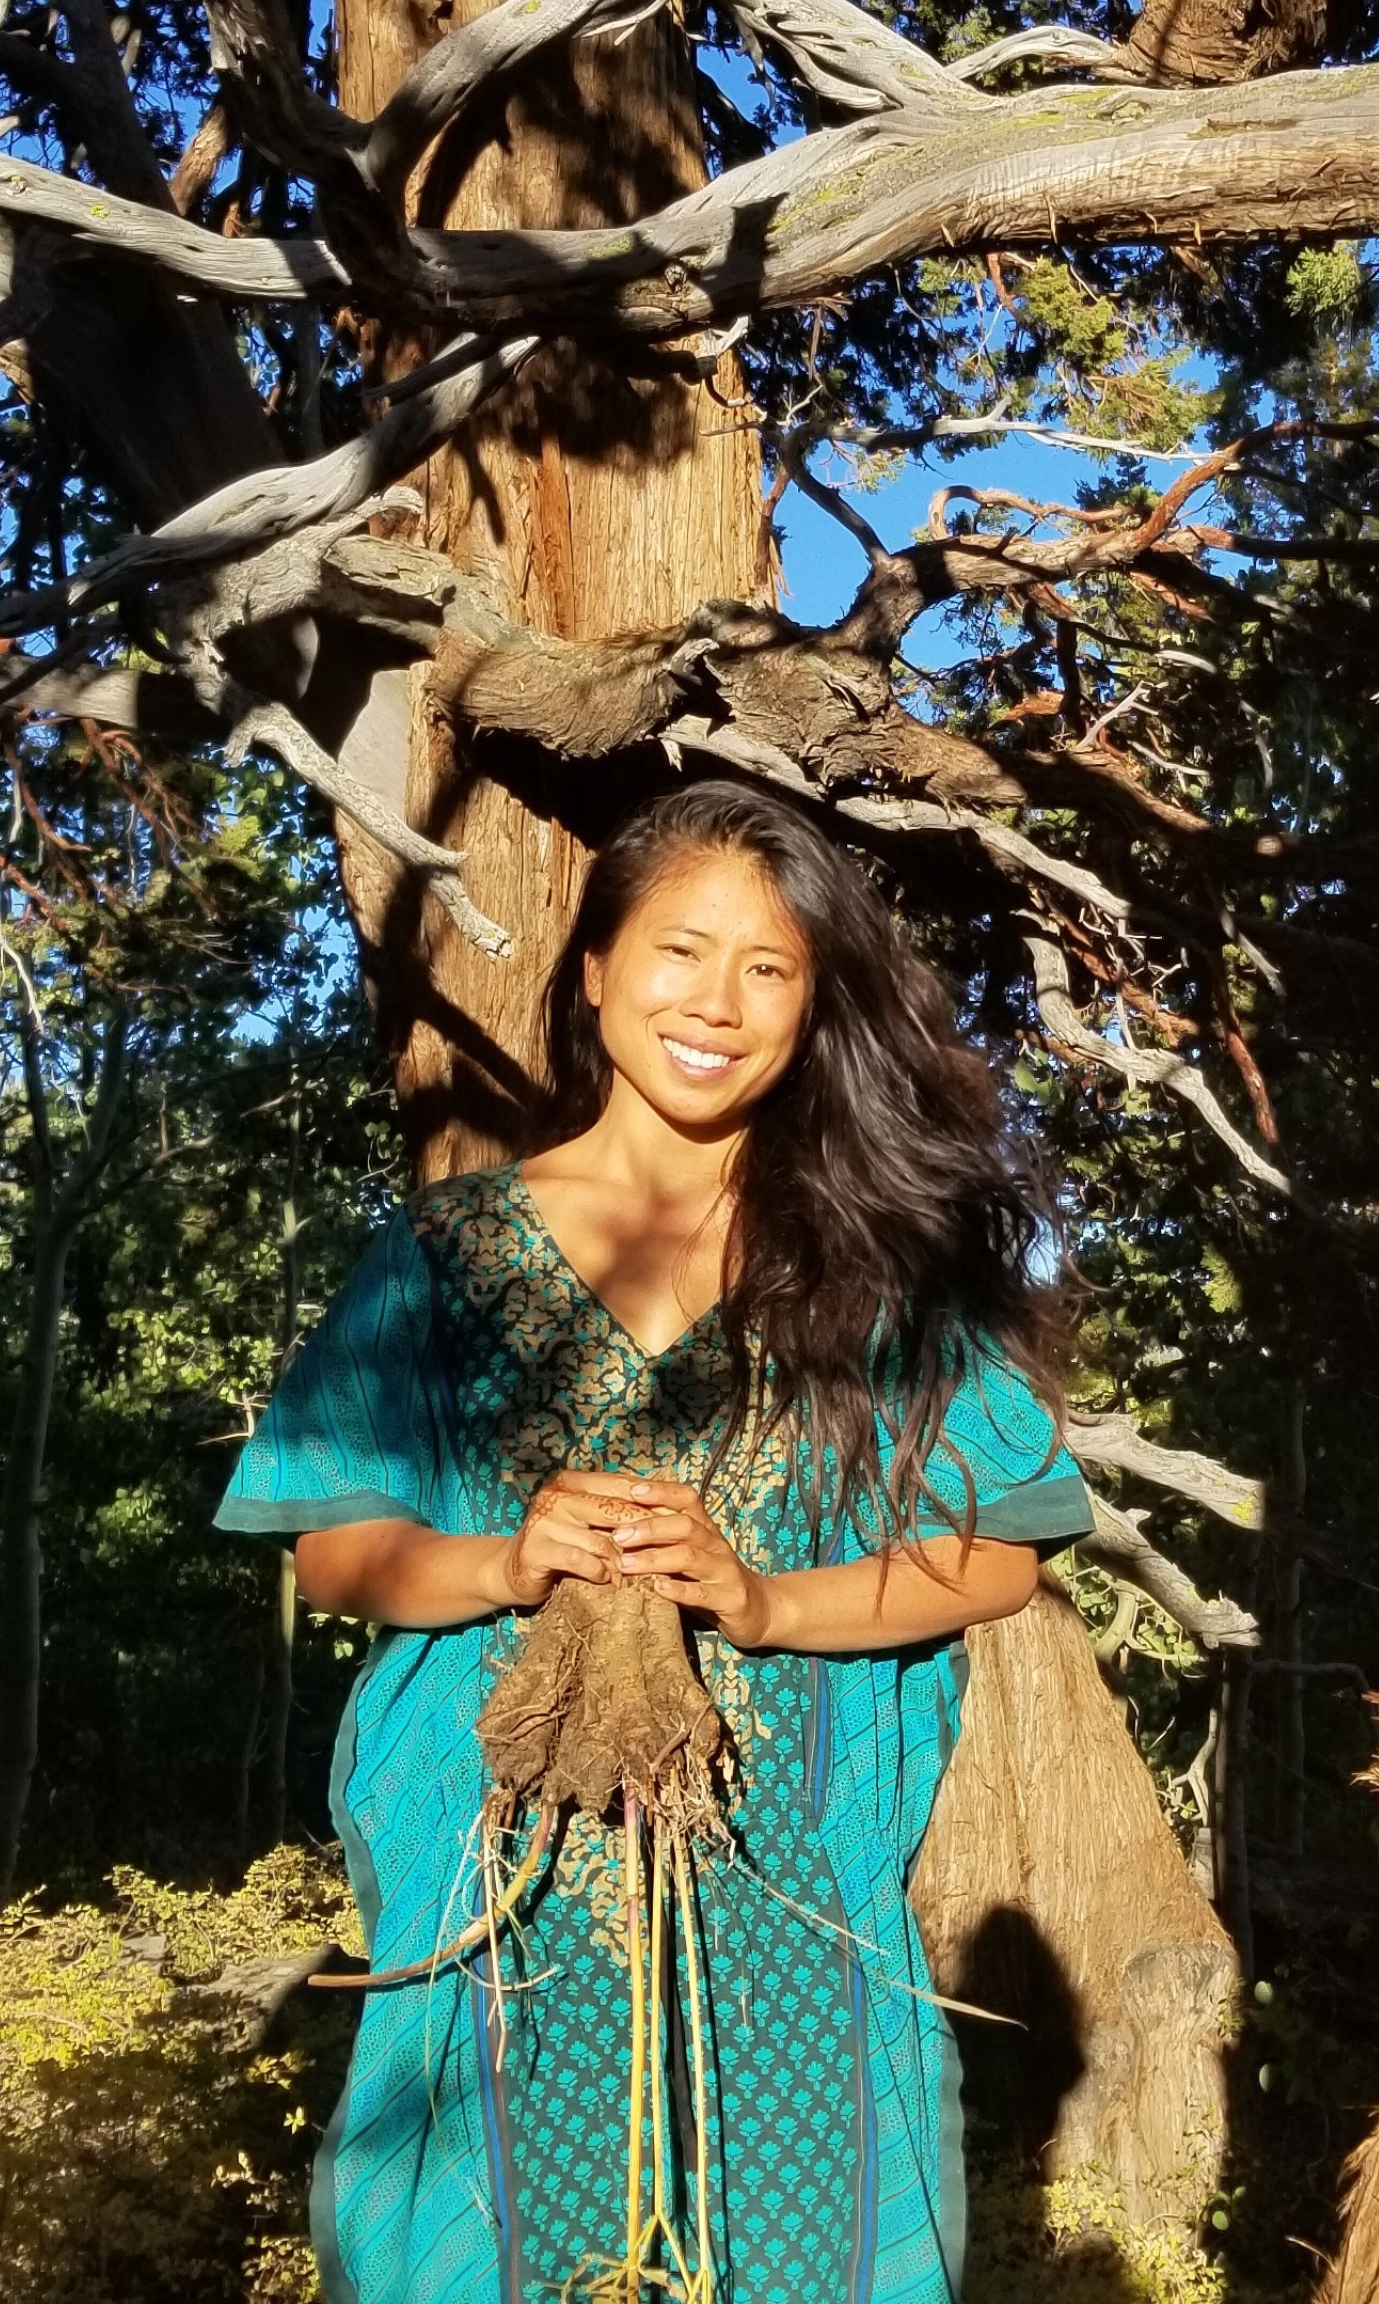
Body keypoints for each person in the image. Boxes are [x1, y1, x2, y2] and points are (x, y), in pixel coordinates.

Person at [216, 782, 1093, 2304]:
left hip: (792, 1890)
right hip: (510, 1898)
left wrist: (758, 1600)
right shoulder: (444, 1256)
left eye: (771, 970)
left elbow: (996, 1555)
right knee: (491, 2247)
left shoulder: (881, 1265)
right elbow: (336, 1549)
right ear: (597, 970)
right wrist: (506, 1561)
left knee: (808, 2250)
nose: (720, 1004)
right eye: (681, 953)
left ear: (815, 1008)